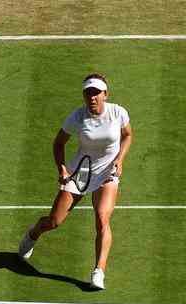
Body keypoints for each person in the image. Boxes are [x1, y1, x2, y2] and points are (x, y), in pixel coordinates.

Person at [19, 73, 133, 291]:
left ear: (105, 94)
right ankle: (33, 233)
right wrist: (61, 168)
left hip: (107, 172)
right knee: (55, 221)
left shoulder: (118, 112)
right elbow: (58, 143)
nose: (92, 97)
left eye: (96, 92)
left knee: (102, 219)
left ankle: (98, 271)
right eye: (88, 92)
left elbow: (128, 135)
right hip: (80, 172)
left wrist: (120, 159)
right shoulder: (76, 117)